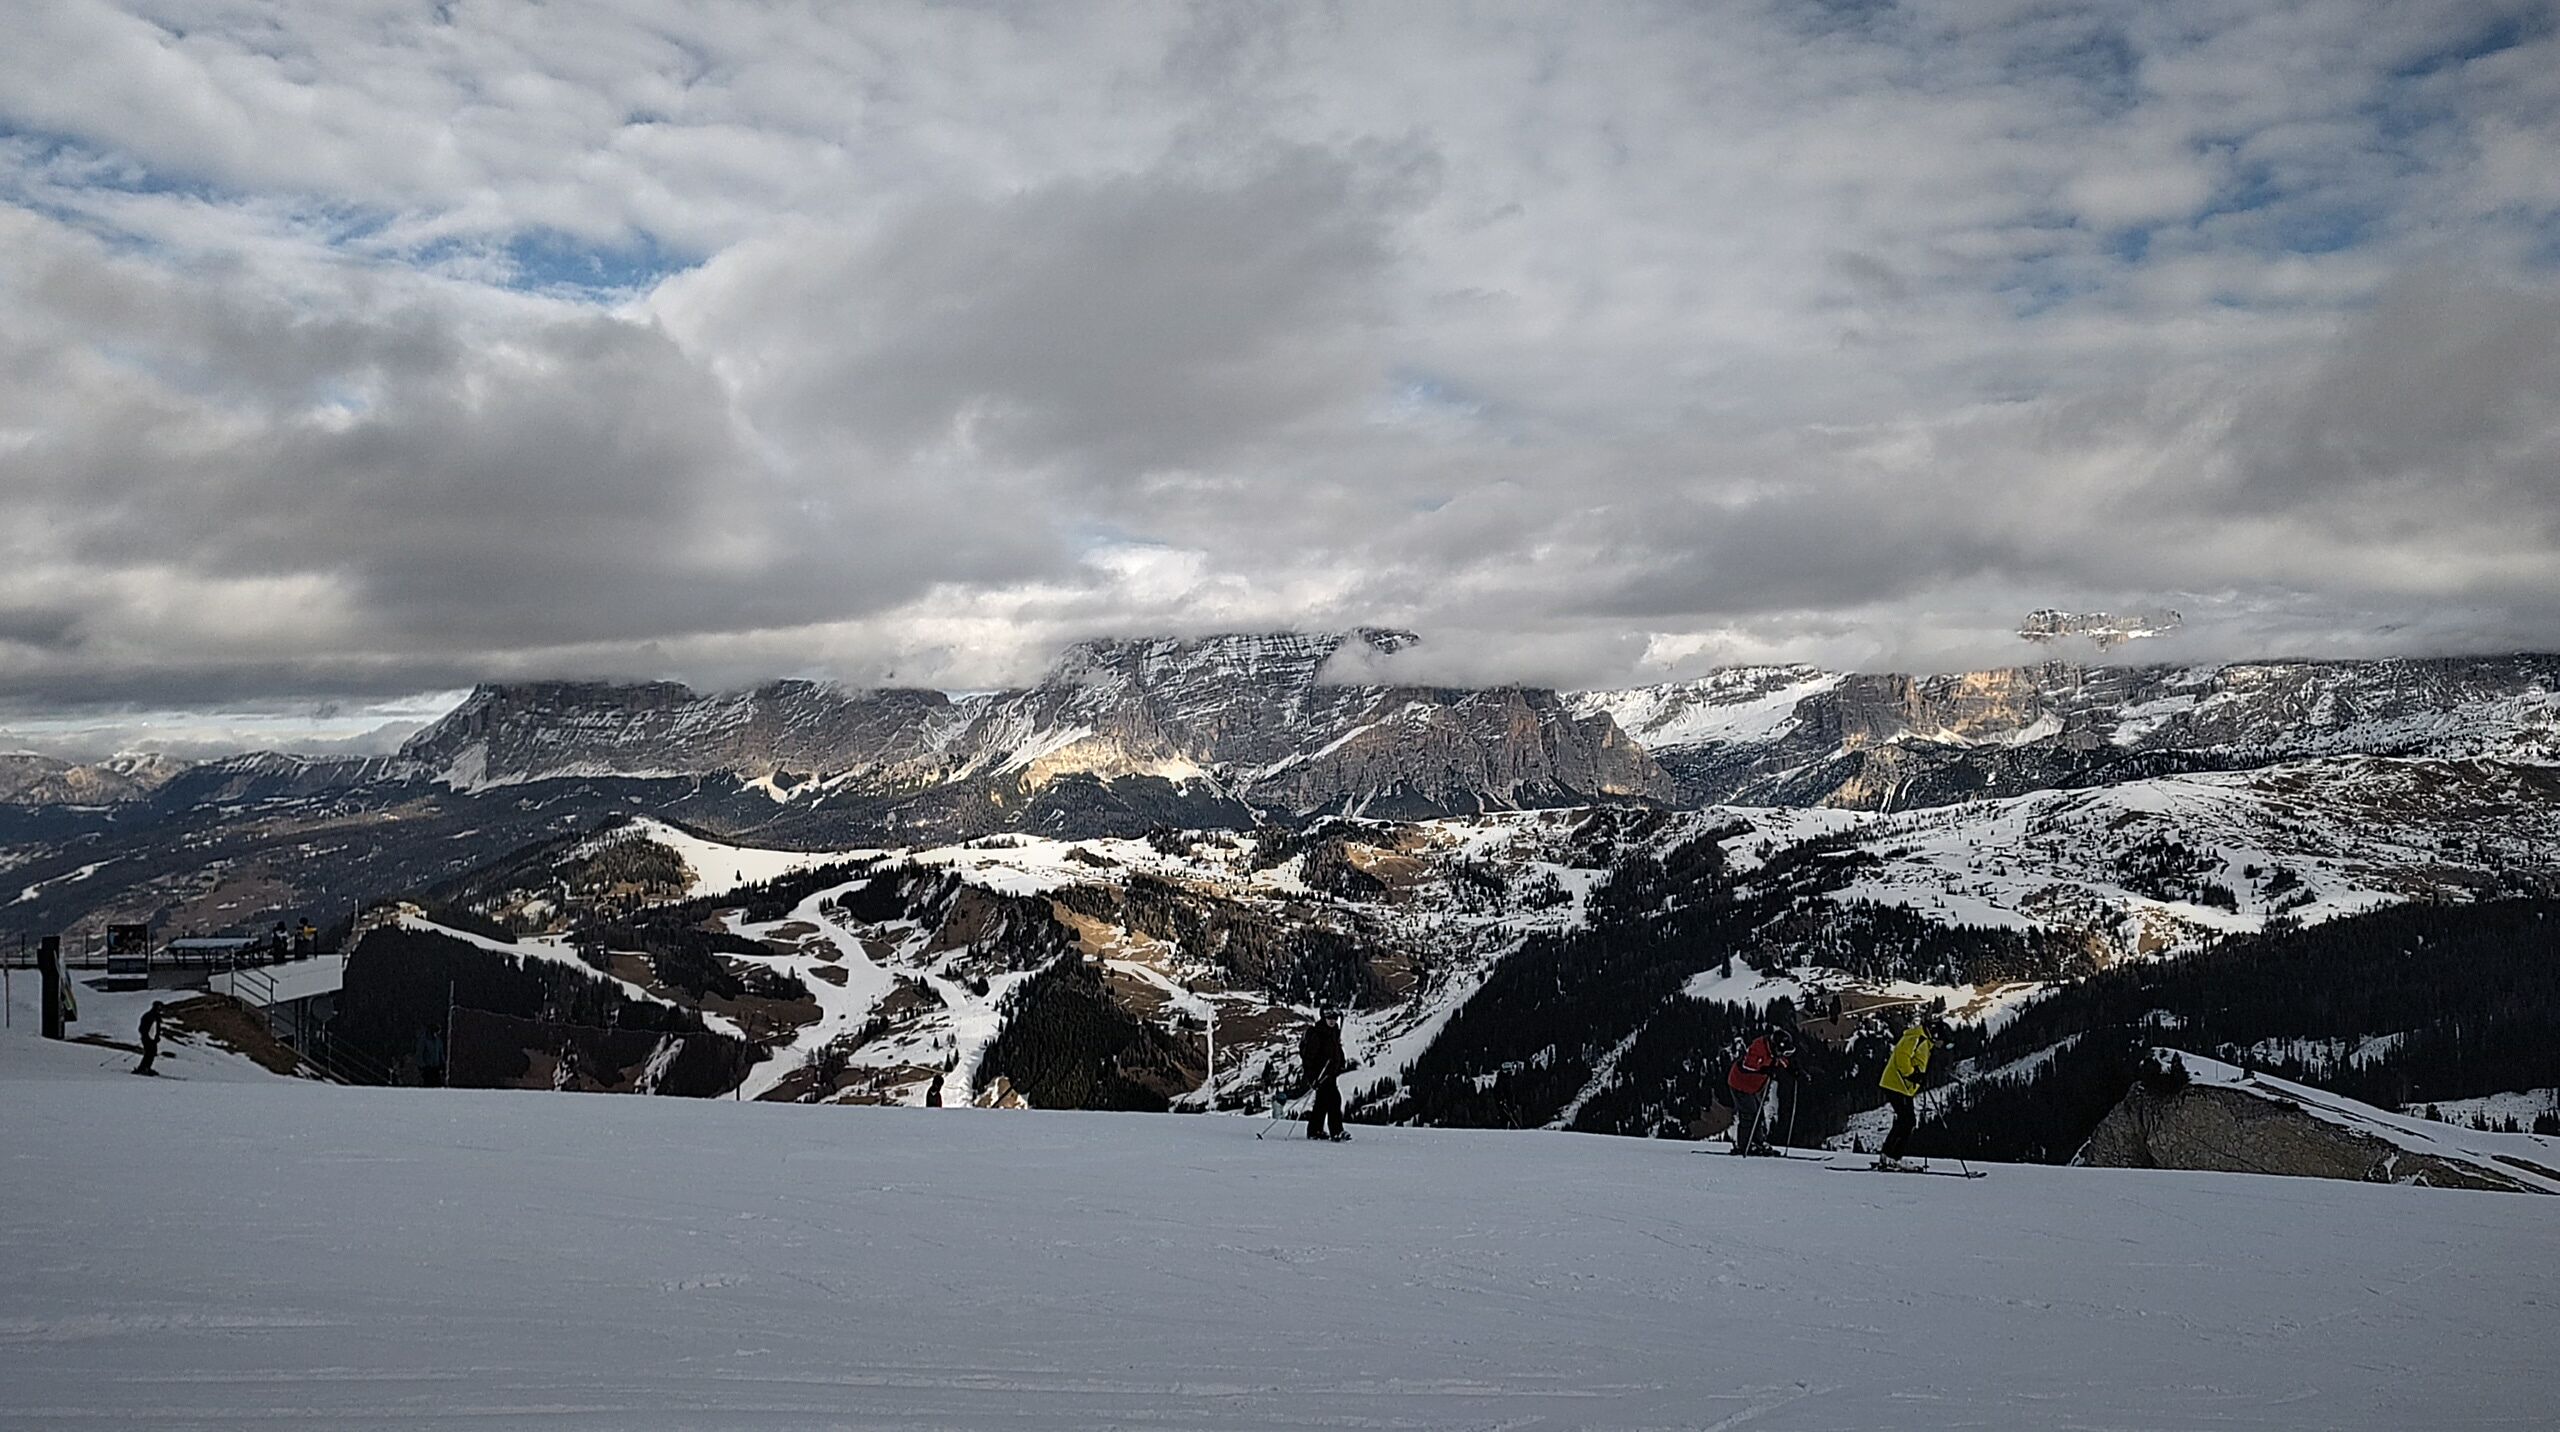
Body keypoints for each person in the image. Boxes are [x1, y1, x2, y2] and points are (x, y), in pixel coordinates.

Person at [1876, 1017, 1941, 1170]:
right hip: (1897, 1084)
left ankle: (1888, 1156)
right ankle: (1892, 1157)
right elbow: (1902, 1057)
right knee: (1907, 1121)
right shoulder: (1916, 1038)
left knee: (1905, 1120)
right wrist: (1912, 1075)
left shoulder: (1923, 1040)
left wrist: (1918, 1076)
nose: (1941, 1045)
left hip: (1901, 1085)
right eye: (1942, 1041)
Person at [1726, 1025, 1795, 1155]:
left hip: (1751, 1087)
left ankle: (1758, 1142)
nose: (1782, 1055)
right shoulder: (1758, 1047)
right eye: (1782, 1051)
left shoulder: (1773, 1051)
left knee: (1758, 1113)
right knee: (1748, 1113)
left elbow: (1781, 1061)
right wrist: (1764, 1069)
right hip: (1739, 1083)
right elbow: (1747, 1065)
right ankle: (1744, 1146)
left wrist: (1793, 1070)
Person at [1298, 1009, 1350, 1142]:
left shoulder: (1333, 1032)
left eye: (1334, 1018)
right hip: (1321, 1075)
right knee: (1334, 1101)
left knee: (1322, 1103)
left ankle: (1315, 1130)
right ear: (1324, 1018)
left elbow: (1337, 1049)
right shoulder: (1318, 1034)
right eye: (1329, 1018)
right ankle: (1336, 1132)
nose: (1332, 1021)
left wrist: (1341, 1062)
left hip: (1330, 1074)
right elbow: (1308, 1058)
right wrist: (1312, 1078)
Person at [135, 1001, 168, 1076]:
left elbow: (156, 1029)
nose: (161, 1009)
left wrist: (157, 1037)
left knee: (151, 1052)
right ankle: (144, 1068)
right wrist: (147, 1036)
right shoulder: (151, 1016)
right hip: (148, 1038)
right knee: (149, 1053)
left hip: (151, 1038)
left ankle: (145, 1067)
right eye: (160, 1007)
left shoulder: (154, 1016)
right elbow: (145, 1028)